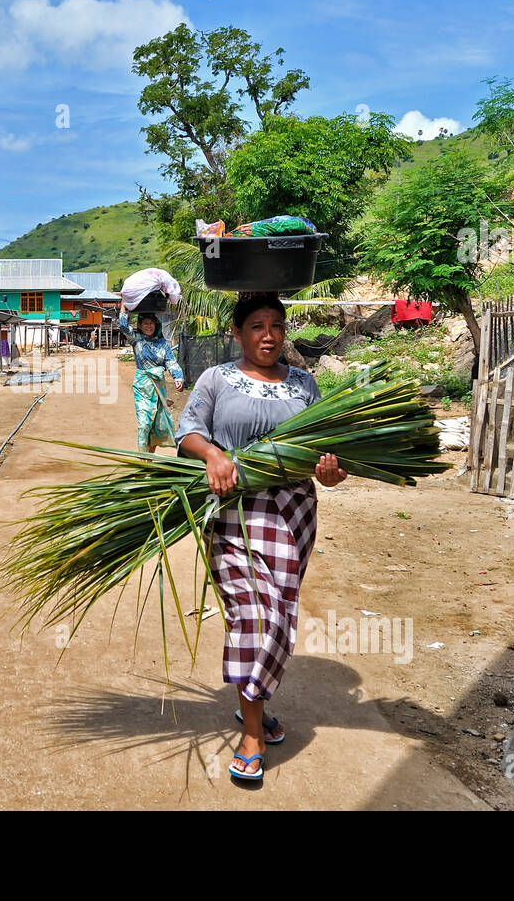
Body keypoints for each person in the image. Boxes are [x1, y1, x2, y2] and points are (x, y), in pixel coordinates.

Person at [174, 293, 347, 783]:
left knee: (278, 615)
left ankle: (254, 701)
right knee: (253, 616)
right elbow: (188, 431)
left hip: (293, 514)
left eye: (275, 325)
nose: (268, 335)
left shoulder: (304, 383)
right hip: (231, 513)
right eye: (256, 326)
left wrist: (332, 472)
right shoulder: (215, 379)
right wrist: (212, 455)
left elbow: (326, 450)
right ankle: (251, 733)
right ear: (238, 333)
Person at [117, 305, 184, 452]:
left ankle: (149, 461)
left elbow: (171, 362)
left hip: (158, 387)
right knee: (144, 424)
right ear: (139, 325)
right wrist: (123, 305)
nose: (149, 326)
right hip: (142, 386)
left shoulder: (163, 344)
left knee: (155, 425)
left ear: (156, 324)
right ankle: (143, 461)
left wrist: (178, 377)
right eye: (145, 323)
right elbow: (122, 326)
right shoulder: (136, 340)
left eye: (151, 323)